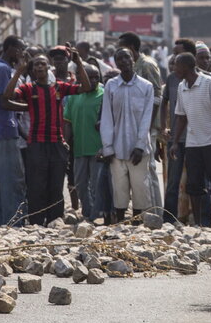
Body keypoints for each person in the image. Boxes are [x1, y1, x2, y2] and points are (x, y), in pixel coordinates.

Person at [4, 52, 90, 226]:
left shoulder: (59, 87)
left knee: (56, 185)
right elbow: (7, 96)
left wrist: (79, 62)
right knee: (36, 185)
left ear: (48, 67)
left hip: (56, 143)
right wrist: (19, 71)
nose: (39, 67)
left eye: (43, 64)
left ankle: (55, 221)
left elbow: (85, 88)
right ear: (33, 69)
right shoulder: (28, 88)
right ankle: (36, 222)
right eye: (36, 65)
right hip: (36, 144)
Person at [170, 53, 211, 228]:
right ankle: (199, 224)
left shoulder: (208, 82)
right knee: (194, 185)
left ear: (187, 66)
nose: (174, 69)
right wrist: (175, 142)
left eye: (177, 65)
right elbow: (181, 117)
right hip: (193, 143)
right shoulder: (182, 86)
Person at [100, 48, 154, 223]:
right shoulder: (111, 85)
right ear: (115, 62)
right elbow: (107, 117)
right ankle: (121, 222)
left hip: (138, 149)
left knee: (139, 187)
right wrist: (107, 147)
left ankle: (137, 221)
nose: (123, 61)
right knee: (119, 188)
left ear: (133, 59)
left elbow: (147, 118)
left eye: (126, 57)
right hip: (116, 147)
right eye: (119, 59)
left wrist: (140, 146)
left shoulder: (146, 86)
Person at [0, 36, 28, 226]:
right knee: (11, 180)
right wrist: (29, 107)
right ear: (9, 48)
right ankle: (14, 221)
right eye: (19, 49)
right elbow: (4, 101)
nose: (22, 54)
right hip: (4, 130)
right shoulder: (3, 69)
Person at [118, 32, 163, 215]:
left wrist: (147, 128)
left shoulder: (147, 65)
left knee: (149, 169)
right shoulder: (133, 65)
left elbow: (156, 98)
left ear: (132, 48)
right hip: (133, 127)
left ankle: (155, 213)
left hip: (147, 126)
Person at [64, 64, 104, 222]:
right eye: (90, 77)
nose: (93, 80)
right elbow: (67, 121)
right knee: (80, 184)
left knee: (96, 184)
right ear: (81, 78)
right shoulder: (74, 95)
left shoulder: (104, 94)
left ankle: (97, 215)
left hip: (97, 148)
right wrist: (66, 142)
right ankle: (87, 212)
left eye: (96, 77)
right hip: (79, 148)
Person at [161, 55, 187, 223]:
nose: (173, 66)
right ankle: (169, 217)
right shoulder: (171, 79)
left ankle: (198, 219)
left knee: (196, 180)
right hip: (174, 138)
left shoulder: (199, 78)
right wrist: (163, 126)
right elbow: (164, 102)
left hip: (194, 138)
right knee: (173, 180)